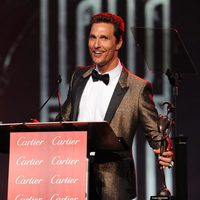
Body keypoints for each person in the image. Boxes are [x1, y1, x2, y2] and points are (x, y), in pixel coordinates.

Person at [57, 12, 174, 200]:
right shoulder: (78, 77)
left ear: (118, 43)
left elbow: (156, 135)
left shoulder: (137, 88)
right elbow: (63, 122)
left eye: (104, 38)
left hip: (114, 185)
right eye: (92, 37)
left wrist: (165, 149)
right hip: (74, 180)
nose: (96, 45)